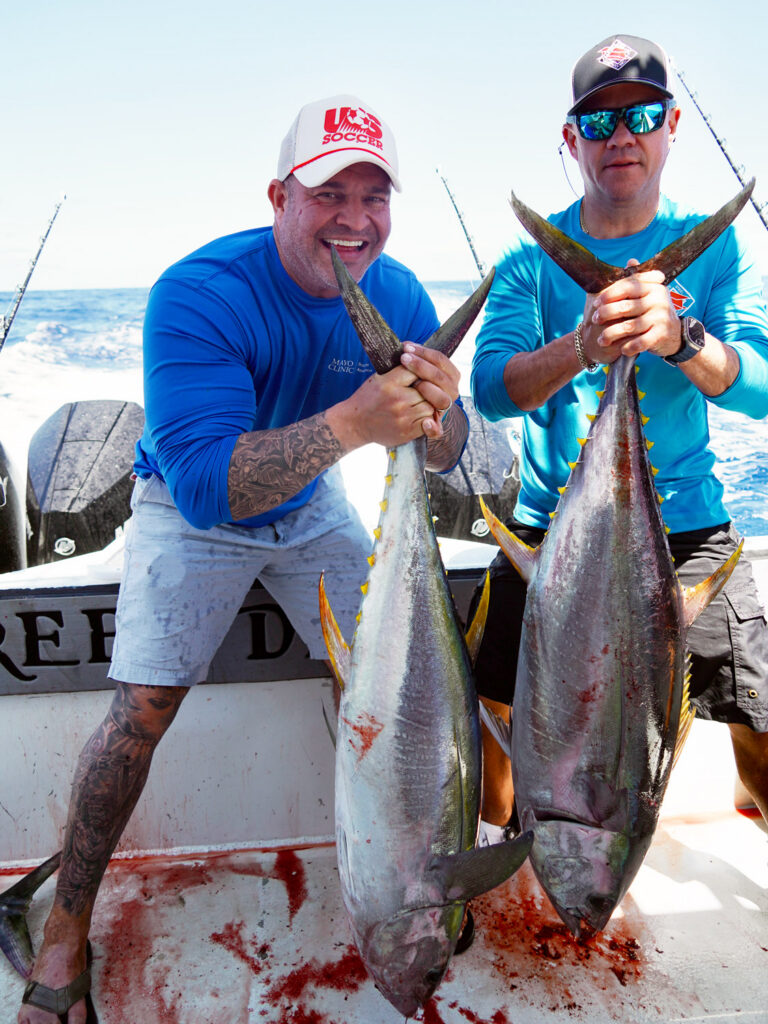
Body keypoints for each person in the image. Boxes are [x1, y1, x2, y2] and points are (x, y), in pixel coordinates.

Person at [18, 94, 469, 1024]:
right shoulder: (199, 293)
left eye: (373, 195)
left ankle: (405, 883)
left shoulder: (404, 295)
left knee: (390, 694)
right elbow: (205, 489)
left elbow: (446, 450)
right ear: (279, 196)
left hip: (314, 510)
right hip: (192, 510)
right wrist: (355, 424)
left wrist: (443, 411)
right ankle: (64, 925)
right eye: (327, 193)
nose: (354, 218)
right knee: (142, 707)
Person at [469, 35, 768, 846]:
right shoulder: (530, 261)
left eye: (639, 115)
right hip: (549, 534)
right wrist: (582, 349)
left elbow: (761, 384)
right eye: (598, 124)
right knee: (496, 707)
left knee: (760, 708)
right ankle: (493, 868)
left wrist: (681, 337)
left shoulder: (718, 245)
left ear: (671, 124)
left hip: (686, 530)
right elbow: (490, 390)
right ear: (572, 141)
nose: (621, 136)